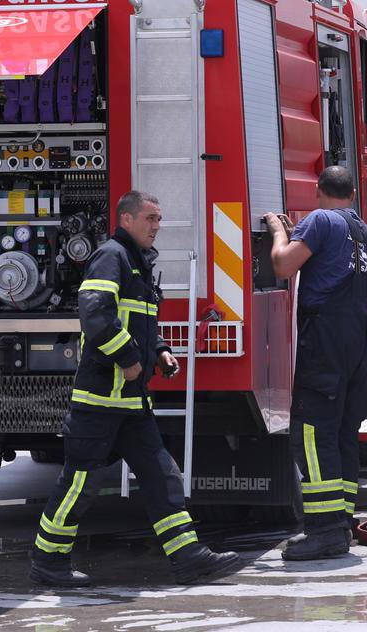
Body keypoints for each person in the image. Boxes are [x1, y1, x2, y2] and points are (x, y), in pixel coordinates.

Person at [30, 190, 249, 589]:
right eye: (150, 218)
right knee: (80, 482)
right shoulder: (111, 256)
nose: (157, 226)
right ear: (126, 220)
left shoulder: (137, 263)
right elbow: (96, 315)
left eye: (160, 219)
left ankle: (188, 557)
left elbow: (140, 320)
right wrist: (130, 359)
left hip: (130, 401)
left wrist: (161, 351)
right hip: (99, 400)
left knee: (161, 473)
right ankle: (48, 559)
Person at [266, 166, 367, 560]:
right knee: (343, 431)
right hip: (355, 338)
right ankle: (342, 522)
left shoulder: (319, 220)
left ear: (318, 190)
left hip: (325, 337)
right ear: (351, 193)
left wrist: (279, 229)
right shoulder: (366, 233)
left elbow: (283, 265)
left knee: (312, 432)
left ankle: (325, 531)